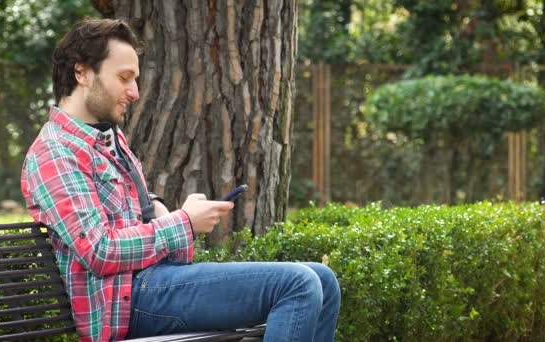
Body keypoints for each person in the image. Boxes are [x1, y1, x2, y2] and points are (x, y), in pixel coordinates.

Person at [21, 18, 340, 342]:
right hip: (127, 301)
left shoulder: (104, 138)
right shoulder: (55, 153)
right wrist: (184, 224)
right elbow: (100, 251)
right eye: (124, 78)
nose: (135, 92)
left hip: (155, 282)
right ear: (83, 73)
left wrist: (158, 207)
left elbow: (122, 203)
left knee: (324, 280)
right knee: (297, 284)